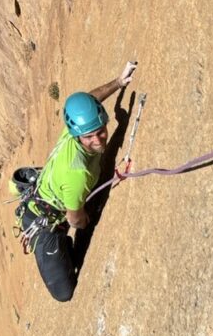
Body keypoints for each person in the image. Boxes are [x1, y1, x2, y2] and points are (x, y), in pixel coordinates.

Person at [17, 61, 137, 302]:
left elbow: (91, 99)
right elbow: (75, 219)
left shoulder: (76, 126)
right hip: (44, 221)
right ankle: (58, 243)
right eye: (89, 136)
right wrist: (86, 223)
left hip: (48, 189)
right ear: (78, 134)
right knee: (64, 293)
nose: (98, 139)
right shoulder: (78, 174)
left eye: (100, 130)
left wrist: (118, 82)